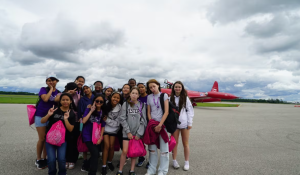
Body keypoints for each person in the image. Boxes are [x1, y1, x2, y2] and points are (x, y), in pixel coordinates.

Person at [41, 93, 76, 175]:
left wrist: (66, 119)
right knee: (51, 159)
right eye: (63, 99)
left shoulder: (71, 113)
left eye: (67, 99)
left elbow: (71, 129)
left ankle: (62, 173)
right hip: (50, 138)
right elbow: (42, 121)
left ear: (71, 101)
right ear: (60, 101)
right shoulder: (54, 109)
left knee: (61, 159)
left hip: (63, 140)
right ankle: (52, 173)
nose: (65, 101)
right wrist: (48, 115)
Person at [117, 87, 147, 175]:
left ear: (138, 95)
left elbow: (143, 121)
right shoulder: (126, 104)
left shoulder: (142, 105)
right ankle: (120, 170)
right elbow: (122, 118)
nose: (134, 95)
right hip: (127, 133)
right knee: (125, 151)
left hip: (137, 133)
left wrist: (139, 133)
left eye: (136, 93)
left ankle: (132, 170)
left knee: (134, 152)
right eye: (133, 93)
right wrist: (128, 132)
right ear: (130, 94)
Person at [35, 73, 60, 169]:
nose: (51, 82)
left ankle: (45, 158)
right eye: (49, 80)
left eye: (53, 80)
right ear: (46, 82)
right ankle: (38, 158)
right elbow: (45, 99)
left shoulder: (58, 92)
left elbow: (58, 101)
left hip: (51, 117)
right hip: (40, 115)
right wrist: (50, 89)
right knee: (41, 138)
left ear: (57, 81)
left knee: (48, 139)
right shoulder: (43, 89)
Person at [55, 82, 81, 169]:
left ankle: (73, 160)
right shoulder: (60, 94)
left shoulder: (78, 96)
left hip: (75, 120)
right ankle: (65, 159)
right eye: (71, 88)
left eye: (75, 89)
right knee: (64, 140)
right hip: (62, 120)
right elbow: (56, 100)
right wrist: (68, 94)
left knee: (73, 141)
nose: (74, 90)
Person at [146, 79, 169, 175]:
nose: (152, 89)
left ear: (158, 85)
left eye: (154, 86)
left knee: (164, 150)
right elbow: (148, 112)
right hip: (152, 126)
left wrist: (159, 125)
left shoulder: (164, 95)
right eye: (150, 87)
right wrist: (152, 123)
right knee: (152, 149)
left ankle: (162, 171)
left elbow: (166, 111)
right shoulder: (149, 97)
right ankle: (151, 169)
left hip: (162, 125)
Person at [170, 81, 194, 171]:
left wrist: (189, 123)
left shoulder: (185, 98)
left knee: (185, 143)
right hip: (174, 124)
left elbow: (190, 110)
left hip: (184, 124)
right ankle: (174, 161)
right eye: (176, 87)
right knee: (174, 144)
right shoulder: (170, 98)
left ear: (182, 88)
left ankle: (186, 162)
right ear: (173, 88)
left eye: (179, 87)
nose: (177, 88)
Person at [82, 94, 106, 175]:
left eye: (101, 101)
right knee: (95, 153)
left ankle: (86, 165)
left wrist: (100, 138)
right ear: (94, 101)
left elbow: (103, 126)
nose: (99, 102)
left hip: (96, 135)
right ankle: (92, 173)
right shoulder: (88, 109)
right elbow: (84, 121)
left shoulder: (103, 112)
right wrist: (91, 111)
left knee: (96, 153)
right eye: (97, 101)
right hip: (87, 134)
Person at [101, 92, 122, 175]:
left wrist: (107, 120)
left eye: (118, 98)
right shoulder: (105, 104)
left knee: (111, 146)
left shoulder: (120, 108)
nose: (115, 99)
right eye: (114, 97)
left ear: (120, 100)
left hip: (114, 129)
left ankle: (109, 162)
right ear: (111, 97)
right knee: (106, 145)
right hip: (105, 128)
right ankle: (104, 165)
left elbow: (118, 122)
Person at [78, 85, 95, 172]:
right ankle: (85, 160)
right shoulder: (82, 99)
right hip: (86, 121)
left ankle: (93, 159)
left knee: (94, 142)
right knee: (85, 141)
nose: (86, 90)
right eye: (84, 89)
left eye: (87, 88)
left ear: (91, 89)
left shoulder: (95, 97)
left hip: (96, 121)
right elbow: (80, 111)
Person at [136, 83, 148, 167]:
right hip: (139, 122)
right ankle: (141, 158)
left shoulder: (150, 97)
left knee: (150, 143)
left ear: (146, 88)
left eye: (142, 87)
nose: (141, 89)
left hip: (149, 121)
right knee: (140, 141)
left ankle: (151, 161)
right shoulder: (137, 98)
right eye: (139, 87)